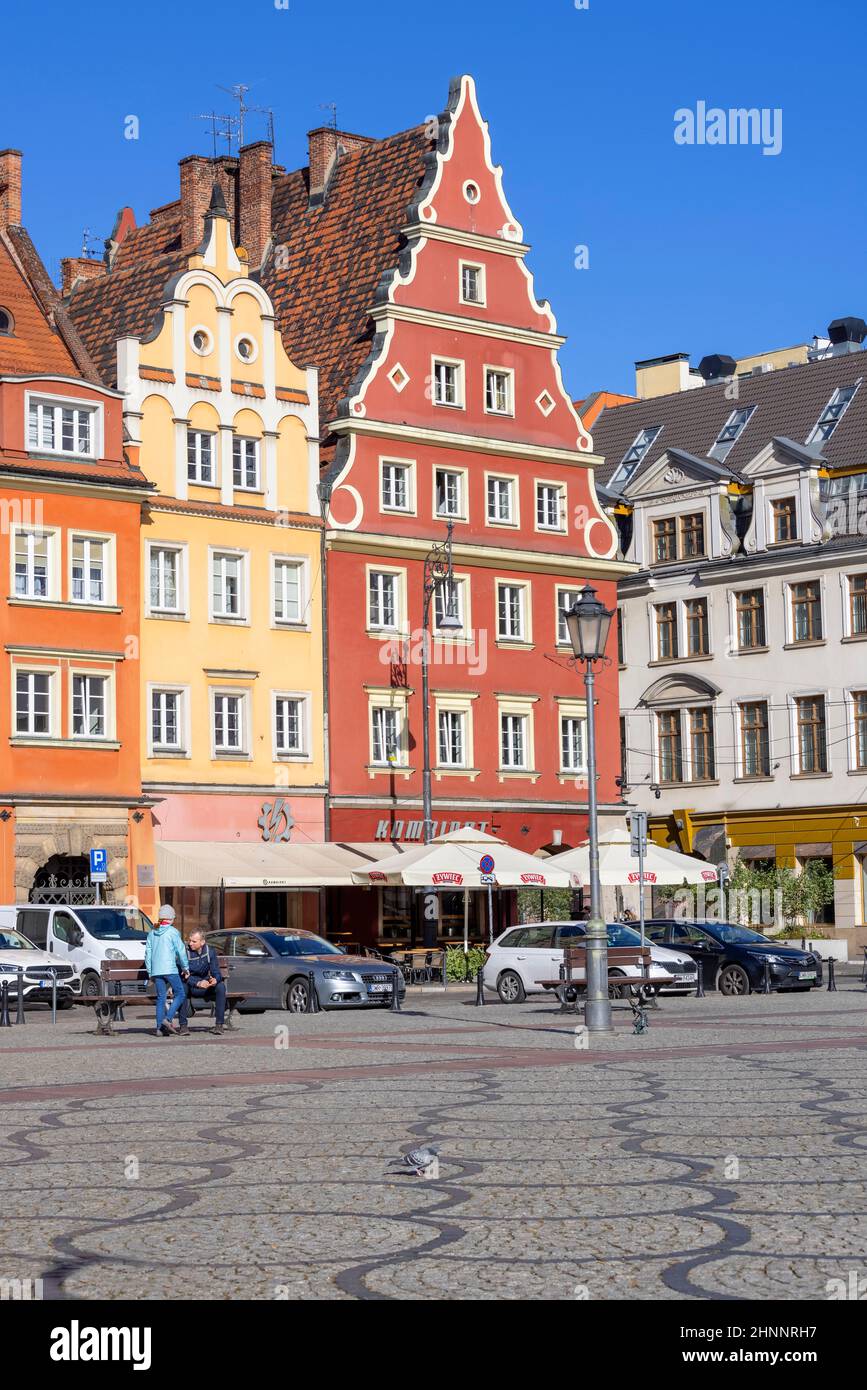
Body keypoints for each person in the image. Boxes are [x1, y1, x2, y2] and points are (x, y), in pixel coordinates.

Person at [144, 904, 189, 1037]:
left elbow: (148, 954)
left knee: (160, 998)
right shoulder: (173, 932)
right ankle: (167, 1019)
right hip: (170, 969)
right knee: (180, 993)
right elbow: (181, 951)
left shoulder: (152, 932)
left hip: (157, 971)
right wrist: (185, 967)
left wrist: (151, 972)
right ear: (171, 918)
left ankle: (159, 1029)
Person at [178, 931, 231, 1036]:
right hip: (191, 985)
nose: (190, 943)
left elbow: (216, 971)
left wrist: (215, 979)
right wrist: (197, 983)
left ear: (202, 942)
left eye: (194, 941)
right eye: (190, 941)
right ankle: (183, 1026)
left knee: (220, 987)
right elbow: (183, 976)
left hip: (206, 986)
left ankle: (219, 1025)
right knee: (182, 988)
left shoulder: (210, 952)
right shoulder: (185, 952)